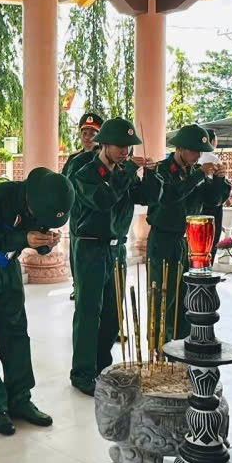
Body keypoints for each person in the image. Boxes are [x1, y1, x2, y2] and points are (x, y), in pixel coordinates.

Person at [0, 167, 73, 435]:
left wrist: (46, 243)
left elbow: (37, 241)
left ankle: (20, 398)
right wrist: (24, 238)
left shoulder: (44, 203)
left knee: (16, 332)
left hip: (8, 266)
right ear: (30, 198)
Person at [67, 118, 148, 396]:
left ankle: (102, 368)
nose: (125, 151)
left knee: (113, 315)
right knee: (89, 312)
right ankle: (82, 373)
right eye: (120, 146)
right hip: (90, 247)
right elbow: (103, 200)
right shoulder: (85, 171)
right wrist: (129, 172)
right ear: (104, 144)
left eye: (128, 146)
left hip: (117, 248)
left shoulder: (124, 171)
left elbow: (147, 197)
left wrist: (152, 175)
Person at [142, 125, 231, 343]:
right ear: (180, 148)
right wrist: (199, 175)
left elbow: (213, 200)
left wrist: (219, 179)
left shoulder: (194, 172)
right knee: (163, 294)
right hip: (164, 240)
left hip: (188, 242)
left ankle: (181, 343)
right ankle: (159, 345)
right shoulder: (162, 170)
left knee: (187, 296)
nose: (198, 156)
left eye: (201, 152)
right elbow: (170, 196)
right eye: (194, 151)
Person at [64, 112, 104, 302]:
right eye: (85, 133)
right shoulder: (73, 158)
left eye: (93, 133)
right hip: (77, 214)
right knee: (75, 249)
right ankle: (77, 285)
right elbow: (65, 184)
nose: (88, 137)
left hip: (96, 213)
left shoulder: (103, 159)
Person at [200, 129, 227, 259]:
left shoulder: (198, 157)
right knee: (211, 239)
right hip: (212, 205)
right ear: (211, 141)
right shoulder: (213, 158)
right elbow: (221, 184)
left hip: (199, 206)